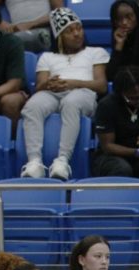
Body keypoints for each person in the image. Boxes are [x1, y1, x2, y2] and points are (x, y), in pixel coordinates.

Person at [19, 7, 108, 180]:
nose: (77, 34)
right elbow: (39, 87)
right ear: (59, 37)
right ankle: (34, 162)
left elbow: (101, 85)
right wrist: (48, 83)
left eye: (79, 28)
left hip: (83, 92)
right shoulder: (47, 57)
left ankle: (62, 161)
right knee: (32, 106)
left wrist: (72, 83)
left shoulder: (96, 52)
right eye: (69, 31)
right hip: (53, 92)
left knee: (71, 102)